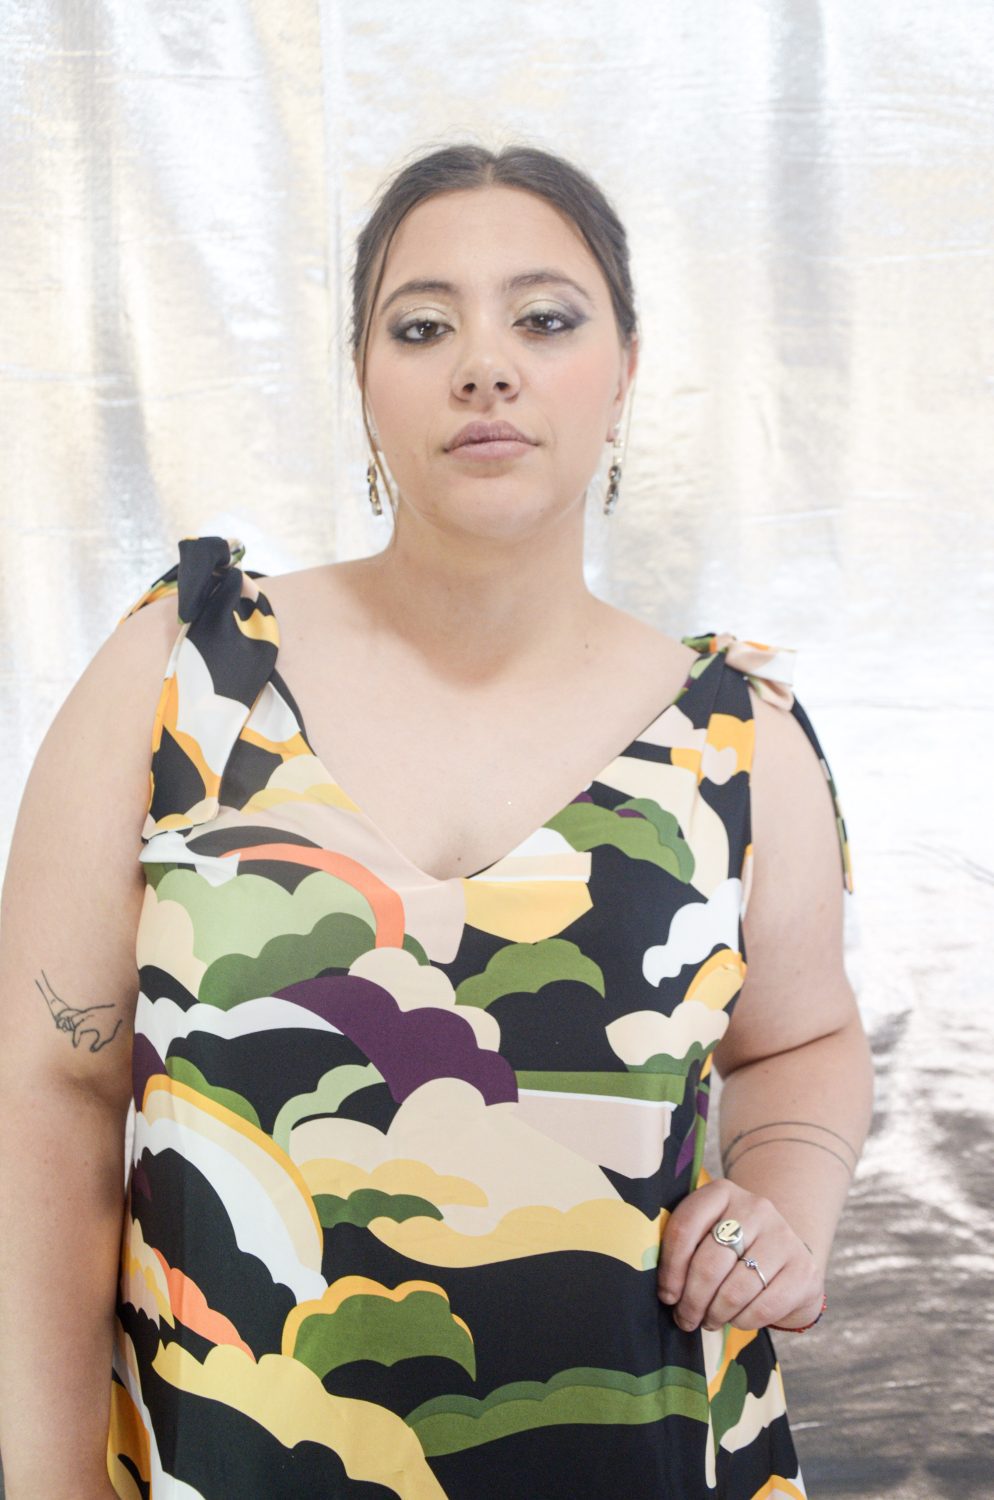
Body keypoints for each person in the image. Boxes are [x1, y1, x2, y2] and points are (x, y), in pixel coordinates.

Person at [0, 142, 874, 1499]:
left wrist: (786, 1208)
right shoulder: (181, 679)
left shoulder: (737, 739)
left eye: (545, 318)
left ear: (625, 372)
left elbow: (804, 1041)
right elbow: (50, 1092)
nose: (485, 366)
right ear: (362, 378)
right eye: (422, 327)